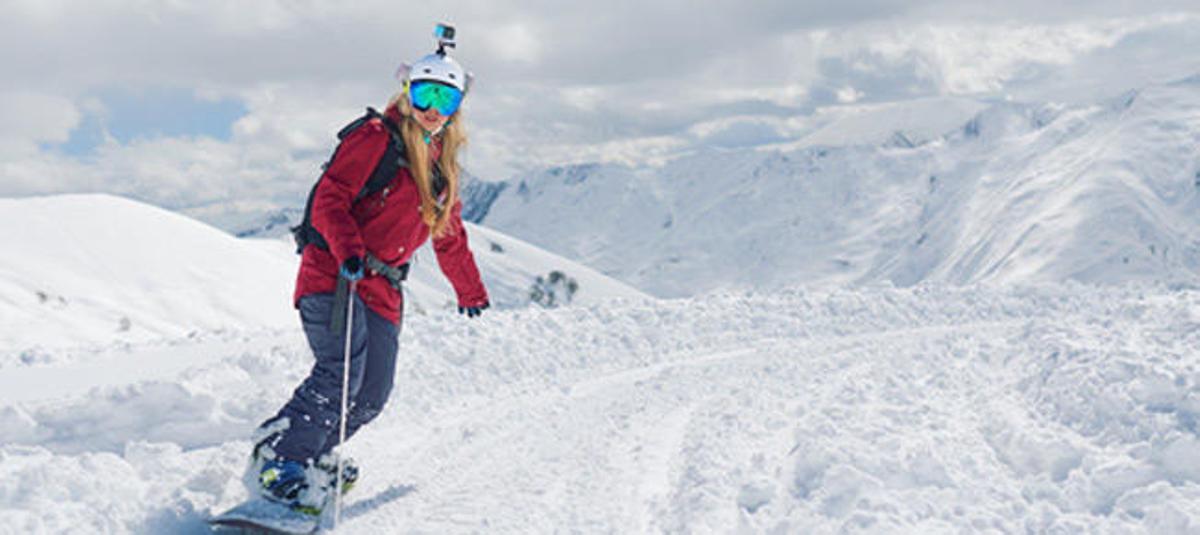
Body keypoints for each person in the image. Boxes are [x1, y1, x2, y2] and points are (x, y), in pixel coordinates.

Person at [247, 30, 490, 510]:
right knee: (341, 373)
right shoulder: (375, 138)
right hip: (336, 277)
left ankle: (311, 453)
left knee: (373, 394)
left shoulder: (443, 166)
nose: (433, 108)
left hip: (383, 291)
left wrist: (470, 291)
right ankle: (280, 454)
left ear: (458, 104)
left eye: (446, 97)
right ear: (407, 91)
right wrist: (349, 251)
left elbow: (449, 234)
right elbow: (330, 198)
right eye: (425, 93)